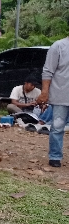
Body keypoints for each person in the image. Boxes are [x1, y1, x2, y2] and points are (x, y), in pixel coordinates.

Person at [37, 35, 69, 167]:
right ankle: (55, 156)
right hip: (61, 95)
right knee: (57, 127)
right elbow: (47, 71)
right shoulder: (58, 46)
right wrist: (44, 92)